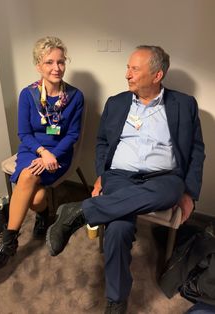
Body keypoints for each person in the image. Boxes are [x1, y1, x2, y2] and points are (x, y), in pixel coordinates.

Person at [46, 45, 205, 314]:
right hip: (120, 176)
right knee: (118, 228)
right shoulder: (117, 102)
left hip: (163, 178)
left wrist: (189, 191)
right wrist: (101, 177)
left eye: (134, 69)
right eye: (127, 67)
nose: (127, 74)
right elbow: (102, 142)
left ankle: (78, 212)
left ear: (157, 75)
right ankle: (117, 299)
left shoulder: (183, 104)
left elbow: (196, 150)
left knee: (172, 191)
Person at [0, 36, 84, 272]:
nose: (56, 68)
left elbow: (72, 135)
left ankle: (8, 241)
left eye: (60, 62)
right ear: (38, 65)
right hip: (32, 150)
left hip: (59, 153)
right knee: (35, 193)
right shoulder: (28, 95)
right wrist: (41, 152)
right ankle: (17, 236)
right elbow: (24, 133)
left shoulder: (75, 96)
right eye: (49, 62)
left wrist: (52, 155)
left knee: (34, 193)